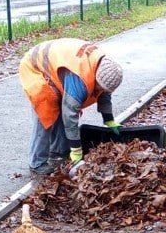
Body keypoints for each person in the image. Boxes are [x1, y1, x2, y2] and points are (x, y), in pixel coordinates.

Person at [18, 38, 124, 176]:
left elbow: (104, 94)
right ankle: (37, 162)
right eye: (99, 86)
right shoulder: (79, 79)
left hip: (59, 65)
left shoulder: (106, 70)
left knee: (61, 109)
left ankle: (58, 151)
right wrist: (76, 149)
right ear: (96, 77)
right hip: (36, 67)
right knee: (46, 114)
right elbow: (70, 115)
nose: (100, 90)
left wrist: (109, 119)